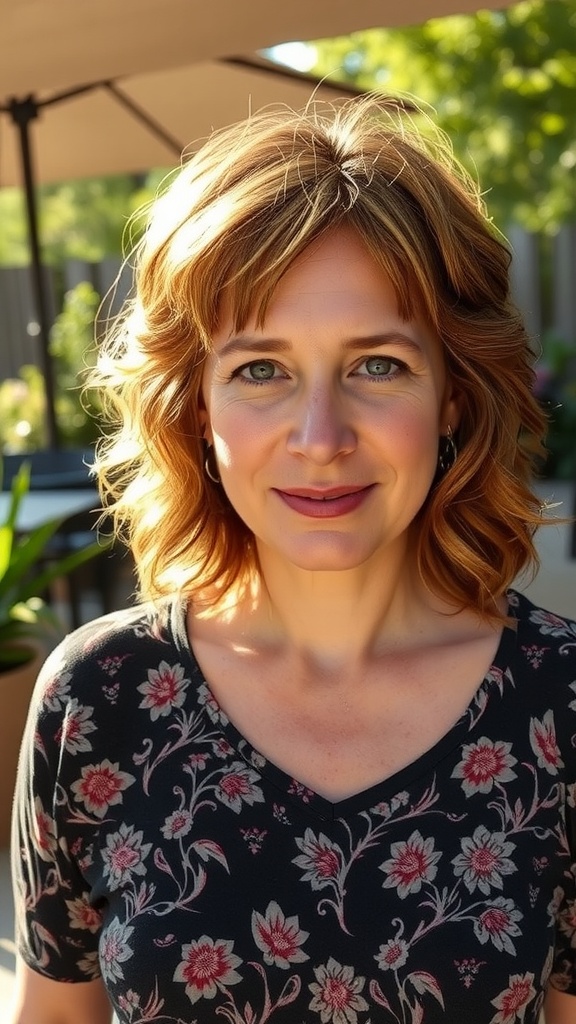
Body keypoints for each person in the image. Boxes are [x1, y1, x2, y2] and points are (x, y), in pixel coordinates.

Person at [9, 95, 576, 1024]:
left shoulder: (562, 702)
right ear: (196, 408)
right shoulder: (99, 699)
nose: (319, 437)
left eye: (378, 365)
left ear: (455, 398)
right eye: (261, 369)